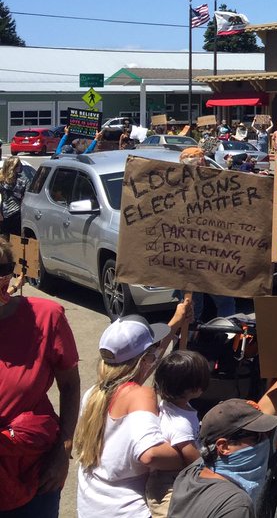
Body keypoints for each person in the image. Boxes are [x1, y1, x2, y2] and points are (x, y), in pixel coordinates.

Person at [76, 307, 193, 517]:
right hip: (129, 510)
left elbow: (145, 363)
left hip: (91, 508)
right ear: (145, 359)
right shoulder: (141, 395)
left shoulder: (94, 394)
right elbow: (150, 455)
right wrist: (191, 456)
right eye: (153, 351)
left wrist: (176, 322)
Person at [0, 238, 81, 518]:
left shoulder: (47, 317)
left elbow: (69, 385)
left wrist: (64, 449)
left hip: (35, 473)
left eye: (2, 270)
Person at [165, 378, 277, 518]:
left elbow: (267, 410)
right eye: (257, 437)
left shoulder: (189, 475)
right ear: (224, 446)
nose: (265, 440)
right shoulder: (237, 505)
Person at [145, 351, 210, 518]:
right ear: (194, 388)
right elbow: (192, 458)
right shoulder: (180, 423)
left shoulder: (174, 406)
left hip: (175, 477)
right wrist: (209, 474)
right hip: (167, 483)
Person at [1, 156, 28, 235]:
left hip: (17, 212)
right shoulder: (2, 180)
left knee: (15, 236)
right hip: (5, 212)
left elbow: (26, 196)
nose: (21, 166)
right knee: (5, 236)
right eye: (19, 164)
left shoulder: (22, 180)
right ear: (13, 167)